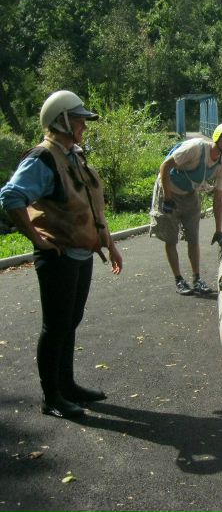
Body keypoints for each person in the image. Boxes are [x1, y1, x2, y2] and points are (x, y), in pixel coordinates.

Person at [0, 90, 123, 419]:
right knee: (55, 326)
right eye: (79, 118)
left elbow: (91, 206)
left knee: (70, 322)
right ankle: (52, 397)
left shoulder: (74, 155)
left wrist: (110, 244)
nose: (84, 124)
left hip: (81, 255)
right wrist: (36, 238)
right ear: (62, 121)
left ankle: (67, 386)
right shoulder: (43, 157)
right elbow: (11, 196)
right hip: (58, 257)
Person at [150, 122, 222, 295]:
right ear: (218, 137)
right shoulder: (196, 148)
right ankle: (179, 280)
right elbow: (165, 166)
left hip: (189, 195)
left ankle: (197, 279)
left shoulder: (221, 166)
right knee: (171, 239)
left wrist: (218, 230)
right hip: (168, 191)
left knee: (193, 238)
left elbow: (218, 198)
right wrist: (168, 197)